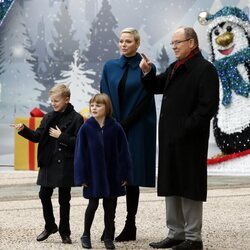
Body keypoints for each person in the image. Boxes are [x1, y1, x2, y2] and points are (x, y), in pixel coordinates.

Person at [139, 27, 219, 250]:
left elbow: (207, 107)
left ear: (192, 43)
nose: (173, 46)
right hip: (170, 139)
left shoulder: (205, 70)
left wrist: (185, 128)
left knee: (189, 186)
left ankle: (193, 239)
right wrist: (147, 72)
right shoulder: (175, 67)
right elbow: (156, 86)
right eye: (172, 43)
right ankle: (176, 233)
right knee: (171, 183)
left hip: (190, 140)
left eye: (178, 42)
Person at [100, 27, 157, 242]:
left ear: (137, 44)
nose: (124, 44)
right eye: (121, 41)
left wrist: (126, 123)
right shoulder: (110, 67)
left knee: (131, 177)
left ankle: (130, 224)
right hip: (114, 127)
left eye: (129, 41)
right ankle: (109, 226)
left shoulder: (145, 67)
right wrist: (111, 123)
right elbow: (104, 95)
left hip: (136, 127)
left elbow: (145, 99)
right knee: (112, 174)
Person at [12, 83, 83, 244]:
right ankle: (50, 225)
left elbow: (80, 142)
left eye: (56, 101)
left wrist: (61, 136)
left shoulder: (77, 118)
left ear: (67, 99)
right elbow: (37, 136)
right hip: (48, 162)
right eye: (51, 101)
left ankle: (65, 232)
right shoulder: (48, 117)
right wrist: (23, 129)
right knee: (44, 194)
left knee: (64, 199)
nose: (53, 104)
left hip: (65, 163)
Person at [74, 93, 132, 249]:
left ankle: (108, 237)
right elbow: (80, 154)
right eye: (92, 105)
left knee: (110, 207)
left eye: (98, 105)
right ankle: (85, 234)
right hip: (93, 175)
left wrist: (125, 174)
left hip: (113, 175)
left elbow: (124, 152)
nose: (94, 108)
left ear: (107, 108)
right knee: (92, 205)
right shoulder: (86, 128)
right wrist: (82, 177)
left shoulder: (116, 127)